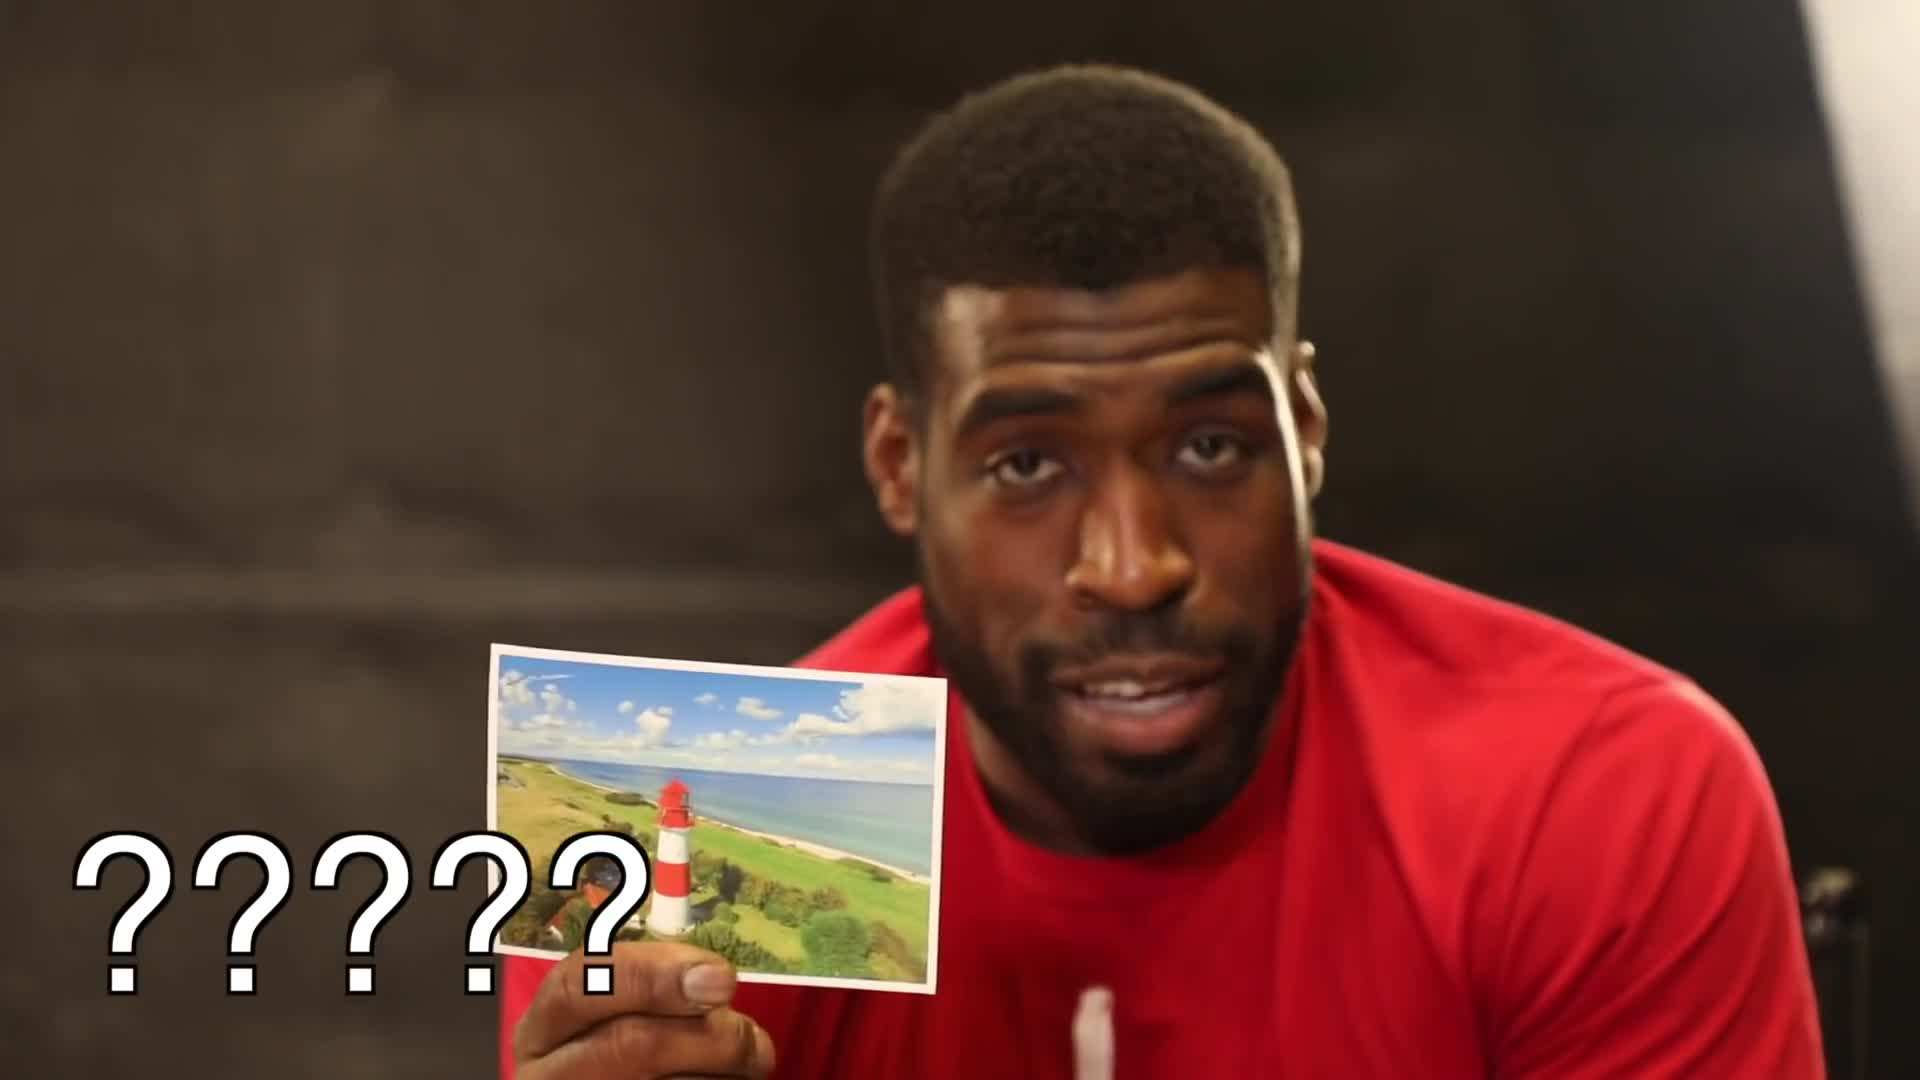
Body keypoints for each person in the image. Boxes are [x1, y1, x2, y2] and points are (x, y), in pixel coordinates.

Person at [498, 63, 1826, 1078]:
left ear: (1303, 434)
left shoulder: (1596, 795)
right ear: (902, 466)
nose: (1134, 567)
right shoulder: (678, 886)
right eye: (1028, 466)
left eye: (1209, 444)